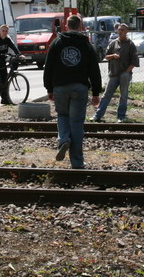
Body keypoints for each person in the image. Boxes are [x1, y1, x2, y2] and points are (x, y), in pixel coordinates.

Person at [44, 14, 102, 168]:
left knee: (62, 115)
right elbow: (94, 70)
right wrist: (96, 93)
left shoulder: (56, 43)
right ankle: (77, 162)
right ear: (80, 26)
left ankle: (63, 139)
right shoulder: (86, 45)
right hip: (80, 88)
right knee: (76, 123)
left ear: (66, 26)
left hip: (60, 87)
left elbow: (48, 68)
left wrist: (49, 88)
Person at [90, 23, 139, 123]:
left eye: (122, 30)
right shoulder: (113, 43)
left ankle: (121, 116)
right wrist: (113, 55)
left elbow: (134, 62)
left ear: (126, 32)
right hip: (113, 74)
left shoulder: (130, 44)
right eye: (119, 30)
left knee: (123, 95)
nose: (120, 32)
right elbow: (106, 56)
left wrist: (126, 73)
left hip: (124, 74)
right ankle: (98, 115)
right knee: (106, 94)